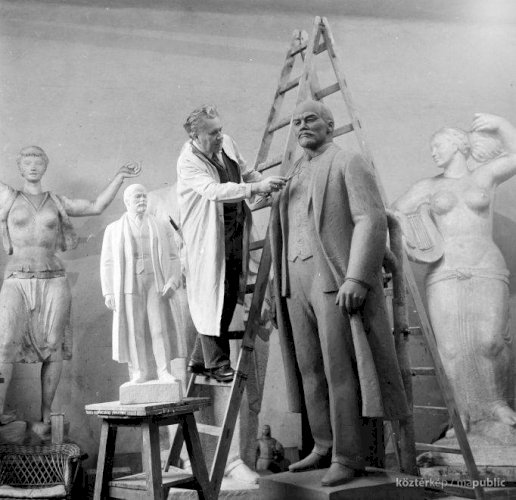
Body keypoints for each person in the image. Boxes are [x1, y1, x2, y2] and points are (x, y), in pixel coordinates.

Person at [270, 100, 409, 487]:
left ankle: (348, 456)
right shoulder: (292, 173)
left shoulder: (348, 161)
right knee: (309, 369)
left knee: (339, 369)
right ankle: (323, 444)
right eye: (296, 121)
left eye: (310, 119)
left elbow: (371, 219)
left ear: (329, 126)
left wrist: (357, 278)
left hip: (331, 277)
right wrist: (276, 287)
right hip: (294, 280)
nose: (301, 125)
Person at [0, 145, 140, 428]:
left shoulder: (56, 201)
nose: (33, 167)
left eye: (38, 162)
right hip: (17, 278)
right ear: (19, 168)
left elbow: (95, 206)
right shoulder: (8, 197)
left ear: (45, 167)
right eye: (27, 163)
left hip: (53, 277)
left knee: (53, 347)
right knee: (4, 345)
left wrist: (119, 177)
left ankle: (46, 412)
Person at [392, 113, 516, 432]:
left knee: (491, 341)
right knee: (450, 349)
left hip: (486, 266)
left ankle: (496, 403)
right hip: (444, 271)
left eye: (438, 145)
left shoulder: (485, 175)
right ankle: (460, 411)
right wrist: (409, 235)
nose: (433, 152)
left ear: (458, 144)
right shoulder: (427, 186)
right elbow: (391, 214)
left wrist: (499, 124)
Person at [177, 104, 286, 382]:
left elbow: (246, 172)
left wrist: (266, 184)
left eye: (220, 130)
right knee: (214, 293)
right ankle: (217, 362)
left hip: (234, 226)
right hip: (206, 235)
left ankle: (199, 358)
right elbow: (212, 190)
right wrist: (254, 188)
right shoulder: (188, 160)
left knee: (230, 288)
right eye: (212, 133)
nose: (219, 136)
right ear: (195, 136)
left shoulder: (226, 143)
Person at [100, 184, 182, 384]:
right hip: (129, 284)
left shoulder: (160, 225)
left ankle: (164, 371)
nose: (142, 200)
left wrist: (173, 280)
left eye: (144, 196)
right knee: (134, 330)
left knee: (159, 328)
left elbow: (174, 256)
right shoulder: (114, 229)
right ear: (127, 201)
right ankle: (139, 372)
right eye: (137, 197)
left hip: (156, 282)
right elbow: (107, 262)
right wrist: (108, 292)